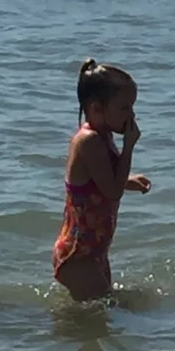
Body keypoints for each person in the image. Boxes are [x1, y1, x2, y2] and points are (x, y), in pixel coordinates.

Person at [52, 59, 151, 301]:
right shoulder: (89, 141)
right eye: (124, 108)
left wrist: (127, 180)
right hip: (78, 253)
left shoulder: (103, 136)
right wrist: (128, 148)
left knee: (97, 317)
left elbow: (100, 181)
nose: (132, 115)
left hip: (94, 250)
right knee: (102, 311)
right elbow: (112, 192)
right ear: (96, 109)